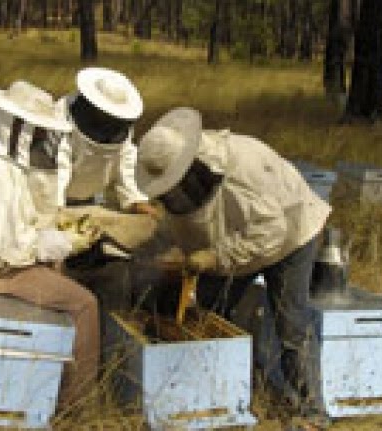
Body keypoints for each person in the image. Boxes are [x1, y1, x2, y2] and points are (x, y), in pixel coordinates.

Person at [135, 107, 332, 411]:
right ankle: (220, 393)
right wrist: (146, 250)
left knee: (290, 322)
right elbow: (181, 225)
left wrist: (215, 257)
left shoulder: (245, 164)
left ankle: (312, 408)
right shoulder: (187, 185)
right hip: (237, 244)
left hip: (290, 234)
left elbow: (271, 232)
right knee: (211, 311)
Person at [0, 80, 101, 405]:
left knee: (57, 270)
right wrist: (66, 242)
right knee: (85, 305)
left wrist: (55, 232)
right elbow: (11, 249)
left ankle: (45, 377)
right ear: (15, 126)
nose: (43, 140)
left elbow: (16, 223)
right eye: (38, 132)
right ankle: (79, 404)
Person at [57, 67, 158, 218]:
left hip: (93, 200)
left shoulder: (119, 128)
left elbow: (126, 161)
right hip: (54, 200)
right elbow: (57, 166)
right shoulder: (61, 119)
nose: (109, 118)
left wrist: (138, 201)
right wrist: (56, 205)